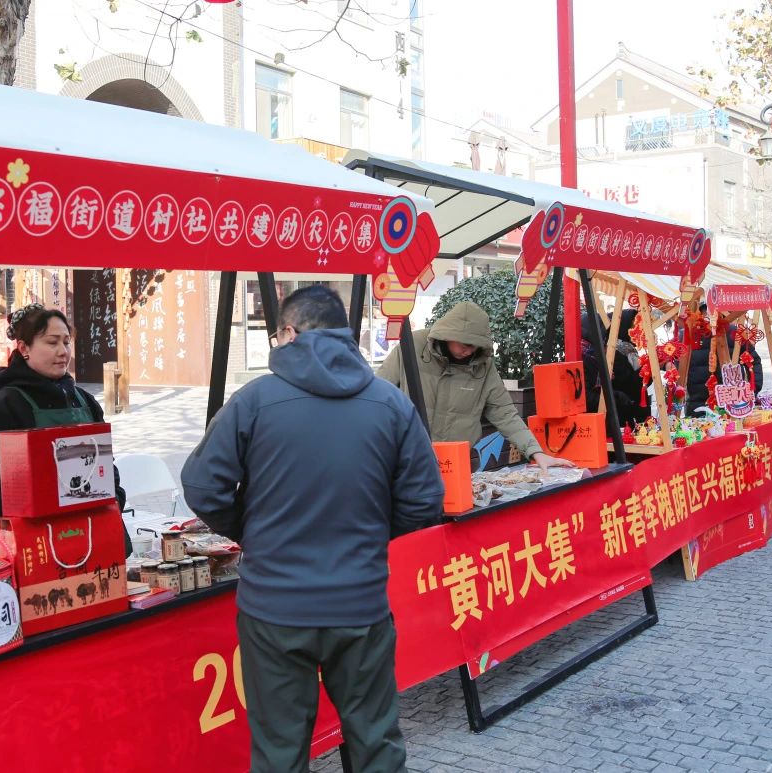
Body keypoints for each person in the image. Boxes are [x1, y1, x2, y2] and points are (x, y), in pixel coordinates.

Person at [181, 286, 443, 773]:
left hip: (274, 608)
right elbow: (425, 500)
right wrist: (371, 533)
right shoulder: (391, 404)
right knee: (376, 742)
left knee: (280, 751)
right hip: (360, 603)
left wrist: (252, 530)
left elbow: (202, 486)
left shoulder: (254, 401)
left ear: (288, 332)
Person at [0, 304, 129, 554]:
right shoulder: (6, 406)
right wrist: (34, 511)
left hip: (97, 531)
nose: (63, 351)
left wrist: (115, 499)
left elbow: (106, 464)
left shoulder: (84, 401)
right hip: (40, 541)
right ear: (24, 348)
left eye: (66, 342)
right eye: (52, 342)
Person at [377, 301, 574, 471]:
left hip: (455, 462)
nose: (469, 351)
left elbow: (504, 412)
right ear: (447, 335)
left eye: (475, 346)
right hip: (406, 456)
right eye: (465, 345)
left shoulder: (483, 365)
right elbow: (378, 395)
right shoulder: (412, 346)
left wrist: (536, 452)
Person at [684, 310, 763, 416]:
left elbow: (753, 361)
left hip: (732, 402)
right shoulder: (688, 334)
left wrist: (753, 390)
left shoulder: (734, 333)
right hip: (697, 405)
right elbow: (669, 360)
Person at [581, 309, 649, 427]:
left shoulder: (624, 350)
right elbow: (627, 382)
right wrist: (617, 397)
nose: (635, 330)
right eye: (632, 326)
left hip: (620, 413)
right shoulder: (607, 353)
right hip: (606, 418)